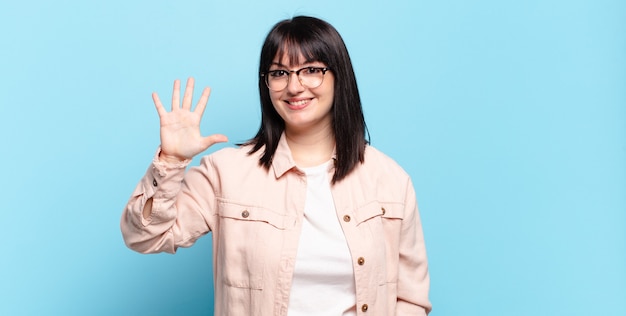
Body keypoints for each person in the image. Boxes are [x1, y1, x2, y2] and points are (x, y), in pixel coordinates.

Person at [121, 16, 431, 315]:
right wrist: (171, 161)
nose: (294, 87)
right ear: (266, 84)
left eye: (311, 70)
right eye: (279, 73)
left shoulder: (390, 180)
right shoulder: (226, 173)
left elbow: (411, 299)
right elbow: (145, 237)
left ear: (340, 77)